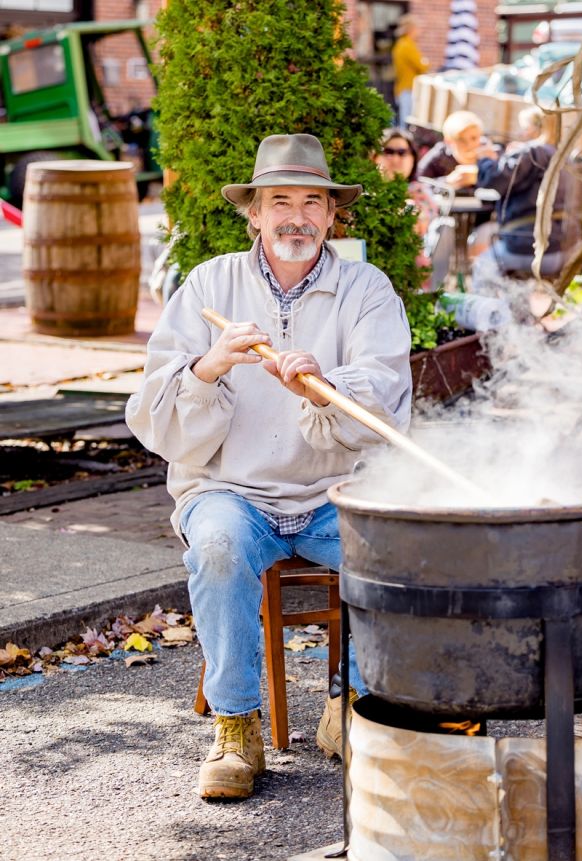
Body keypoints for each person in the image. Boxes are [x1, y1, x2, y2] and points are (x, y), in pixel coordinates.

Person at [125, 134, 413, 800]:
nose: (297, 216)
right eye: (278, 200)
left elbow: (382, 390)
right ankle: (236, 725)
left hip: (333, 489)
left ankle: (356, 708)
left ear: (332, 215)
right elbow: (153, 413)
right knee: (220, 547)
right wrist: (209, 365)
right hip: (232, 489)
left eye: (312, 201)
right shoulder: (208, 284)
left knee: (396, 552)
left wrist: (322, 383)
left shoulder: (365, 288)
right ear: (252, 213)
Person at [470, 113, 568, 292]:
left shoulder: (532, 152)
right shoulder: (559, 154)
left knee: (482, 267)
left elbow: (495, 179)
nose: (521, 133)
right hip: (557, 247)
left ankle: (486, 316)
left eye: (524, 128)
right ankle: (519, 315)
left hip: (526, 247)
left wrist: (485, 159)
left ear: (533, 129)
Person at [374, 127, 455, 290]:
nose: (395, 158)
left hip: (410, 269)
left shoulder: (419, 192)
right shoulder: (365, 193)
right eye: (388, 151)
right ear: (374, 157)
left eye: (403, 152)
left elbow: (423, 220)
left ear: (413, 158)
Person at [417, 110, 499, 192]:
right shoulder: (439, 157)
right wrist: (447, 182)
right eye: (462, 140)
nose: (473, 144)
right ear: (449, 141)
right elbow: (416, 184)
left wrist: (487, 173)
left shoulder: (488, 153)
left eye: (476, 137)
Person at [391, 14, 429, 129]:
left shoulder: (401, 44)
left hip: (403, 87)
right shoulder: (407, 46)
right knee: (407, 123)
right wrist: (425, 61)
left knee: (405, 121)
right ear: (411, 29)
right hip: (409, 89)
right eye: (418, 29)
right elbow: (423, 66)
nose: (420, 32)